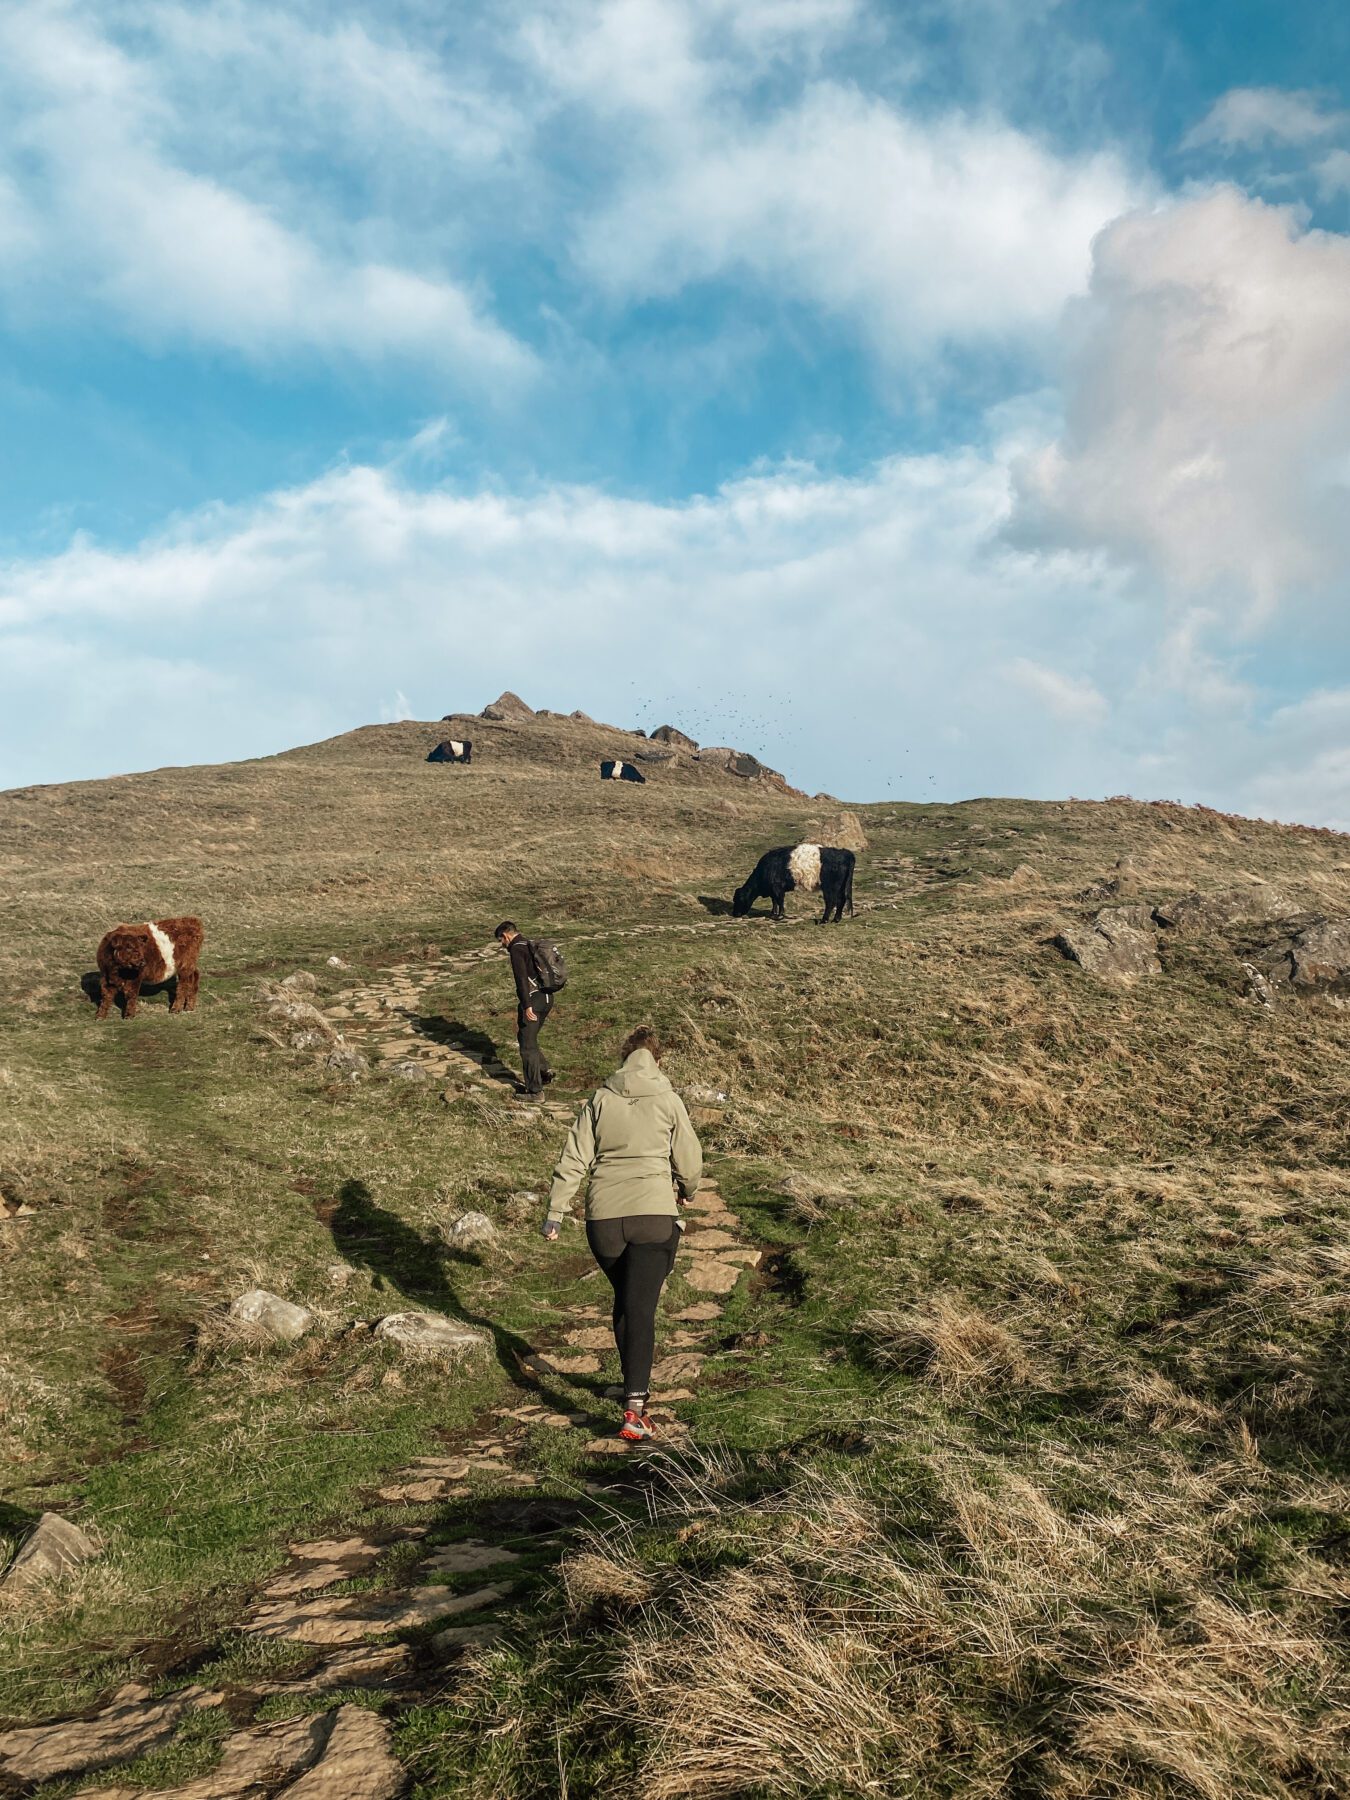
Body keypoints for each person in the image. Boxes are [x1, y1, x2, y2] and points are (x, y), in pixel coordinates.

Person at [542, 1027, 703, 1442]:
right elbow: (689, 1158)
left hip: (605, 1222)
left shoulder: (600, 1098)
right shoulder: (668, 1100)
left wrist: (556, 1211)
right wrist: (686, 1190)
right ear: (656, 1059)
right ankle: (635, 1409)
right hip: (653, 1216)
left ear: (624, 1058)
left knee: (627, 1301)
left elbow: (574, 1156)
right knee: (642, 1309)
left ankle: (633, 1389)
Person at [494, 921, 554, 1098]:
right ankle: (544, 1071)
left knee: (527, 1046)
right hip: (547, 997)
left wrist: (527, 1005)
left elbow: (521, 980)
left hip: (533, 1000)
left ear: (506, 936)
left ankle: (535, 1092)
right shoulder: (528, 944)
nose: (502, 945)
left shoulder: (516, 950)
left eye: (500, 941)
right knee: (526, 1036)